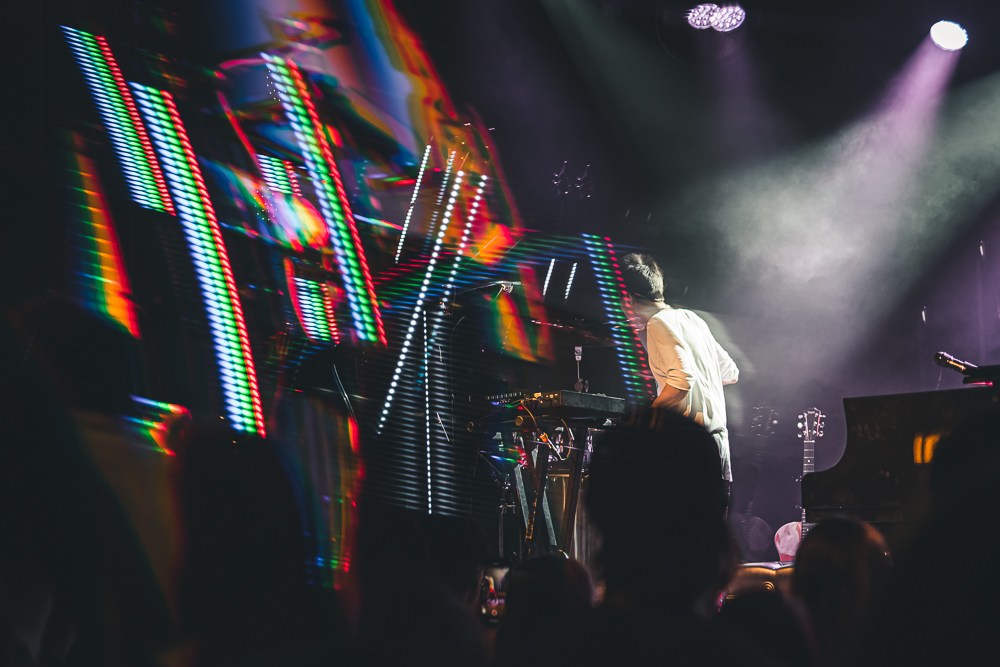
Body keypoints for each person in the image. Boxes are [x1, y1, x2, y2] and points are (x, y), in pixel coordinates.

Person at [619, 253, 740, 482]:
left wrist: (646, 417)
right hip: (718, 448)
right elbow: (730, 373)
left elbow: (682, 382)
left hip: (689, 450)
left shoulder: (657, 323)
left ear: (628, 299)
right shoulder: (691, 319)